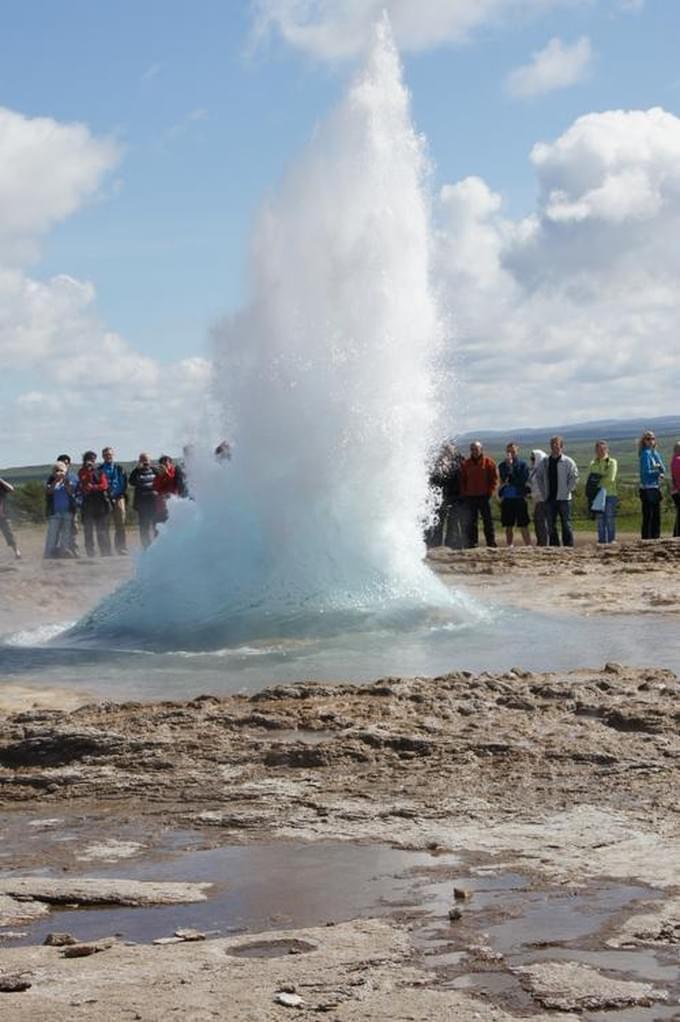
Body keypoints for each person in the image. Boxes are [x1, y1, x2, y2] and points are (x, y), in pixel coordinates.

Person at [537, 436, 579, 547]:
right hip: (550, 498)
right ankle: (554, 547)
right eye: (553, 444)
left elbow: (574, 477)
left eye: (557, 444)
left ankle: (568, 546)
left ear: (561, 446)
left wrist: (568, 490)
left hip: (564, 499)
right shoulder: (545, 462)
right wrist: (543, 492)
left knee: (566, 524)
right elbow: (539, 477)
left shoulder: (568, 461)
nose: (555, 446)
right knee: (551, 525)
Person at [426, 441, 465, 549]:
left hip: (456, 495)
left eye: (449, 449)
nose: (447, 451)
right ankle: (436, 544)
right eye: (445, 449)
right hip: (440, 497)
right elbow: (433, 480)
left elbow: (463, 478)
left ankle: (452, 545)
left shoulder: (460, 461)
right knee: (439, 521)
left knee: (453, 522)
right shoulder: (438, 462)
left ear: (454, 450)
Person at [460, 441, 498, 548]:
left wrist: (491, 491)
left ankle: (491, 542)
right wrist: (464, 493)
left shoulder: (489, 462)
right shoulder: (466, 464)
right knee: (472, 521)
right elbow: (462, 480)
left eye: (476, 449)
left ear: (481, 449)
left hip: (485, 496)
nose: (474, 451)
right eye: (472, 449)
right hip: (470, 496)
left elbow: (494, 479)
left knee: (488, 521)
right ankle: (473, 543)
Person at [77, 451, 111, 557]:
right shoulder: (82, 472)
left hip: (99, 503)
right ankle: (90, 552)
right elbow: (83, 485)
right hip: (87, 504)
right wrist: (87, 472)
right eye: (90, 459)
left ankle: (105, 551)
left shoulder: (99, 472)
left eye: (93, 459)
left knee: (102, 529)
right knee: (88, 530)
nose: (92, 461)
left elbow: (104, 485)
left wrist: (94, 487)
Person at [498, 442, 531, 547]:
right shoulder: (502, 466)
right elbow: (504, 479)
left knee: (523, 524)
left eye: (513, 451)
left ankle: (528, 545)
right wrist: (508, 467)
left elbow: (522, 480)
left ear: (517, 451)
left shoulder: (523, 465)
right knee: (508, 525)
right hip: (507, 498)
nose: (510, 453)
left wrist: (511, 469)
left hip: (519, 497)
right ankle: (510, 545)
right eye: (508, 451)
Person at [587, 440, 618, 545]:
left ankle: (611, 540)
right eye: (599, 449)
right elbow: (591, 478)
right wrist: (600, 478)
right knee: (600, 520)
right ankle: (601, 541)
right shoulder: (593, 463)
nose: (601, 451)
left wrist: (597, 480)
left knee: (609, 519)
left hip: (610, 494)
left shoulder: (612, 462)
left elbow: (611, 478)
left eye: (603, 449)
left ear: (607, 449)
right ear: (596, 451)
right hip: (597, 495)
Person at [99, 447, 128, 555]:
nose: (108, 456)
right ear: (103, 456)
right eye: (106, 455)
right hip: (105, 499)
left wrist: (118, 495)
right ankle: (106, 551)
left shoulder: (119, 468)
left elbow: (124, 483)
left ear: (113, 455)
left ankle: (121, 548)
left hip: (119, 498)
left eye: (110, 454)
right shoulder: (100, 469)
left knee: (120, 524)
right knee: (105, 525)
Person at [44, 462, 77, 558]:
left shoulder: (69, 481)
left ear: (66, 471)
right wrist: (56, 481)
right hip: (55, 513)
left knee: (66, 534)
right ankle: (48, 555)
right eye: (56, 470)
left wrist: (65, 482)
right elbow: (49, 492)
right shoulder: (50, 482)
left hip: (67, 512)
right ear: (53, 473)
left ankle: (63, 553)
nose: (59, 472)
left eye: (61, 470)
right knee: (52, 535)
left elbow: (71, 492)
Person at [638, 430, 666, 540]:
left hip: (655, 487)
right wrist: (657, 472)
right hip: (647, 488)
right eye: (648, 439)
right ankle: (647, 539)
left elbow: (663, 468)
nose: (651, 441)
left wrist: (658, 467)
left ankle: (656, 537)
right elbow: (646, 473)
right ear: (644, 441)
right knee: (648, 516)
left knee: (656, 516)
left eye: (653, 439)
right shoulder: (645, 454)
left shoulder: (654, 453)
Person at [129, 453, 158, 548]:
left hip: (154, 502)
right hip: (142, 503)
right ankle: (146, 546)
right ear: (140, 461)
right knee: (144, 526)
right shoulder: (137, 472)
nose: (145, 462)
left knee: (156, 525)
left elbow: (162, 480)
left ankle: (158, 546)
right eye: (143, 460)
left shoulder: (154, 470)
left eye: (146, 460)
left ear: (150, 461)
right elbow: (131, 482)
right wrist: (137, 469)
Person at [57, 455, 80, 556]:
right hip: (59, 507)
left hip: (71, 506)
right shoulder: (53, 477)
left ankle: (74, 549)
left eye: (66, 463)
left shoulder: (73, 477)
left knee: (73, 528)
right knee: (62, 529)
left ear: (69, 464)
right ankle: (64, 550)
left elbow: (76, 491)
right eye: (61, 463)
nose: (64, 465)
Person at [528, 450, 548, 547]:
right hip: (536, 500)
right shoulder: (534, 470)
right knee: (537, 522)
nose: (531, 460)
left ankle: (543, 543)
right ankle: (541, 541)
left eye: (533, 458)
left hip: (542, 499)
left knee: (541, 523)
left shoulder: (544, 470)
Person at [0, 476, 21, 559]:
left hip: (3, 514)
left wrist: (0, 480)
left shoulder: (1, 485)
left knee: (8, 533)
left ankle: (16, 551)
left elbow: (11, 489)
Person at [671, 441, 680, 539]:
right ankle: (677, 535)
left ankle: (676, 534)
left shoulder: (674, 460)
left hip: (675, 491)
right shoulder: (678, 460)